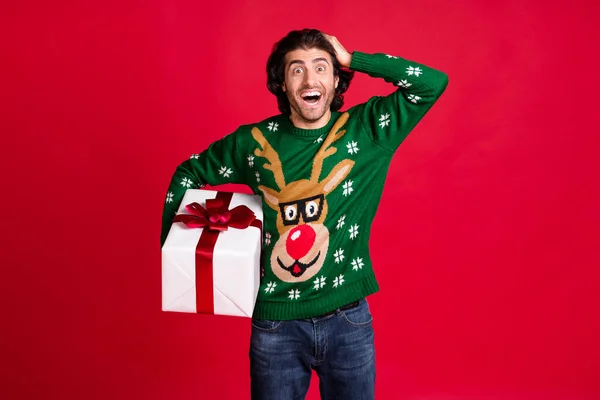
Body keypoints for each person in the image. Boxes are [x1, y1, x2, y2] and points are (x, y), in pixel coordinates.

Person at [160, 28, 448, 400]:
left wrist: (354, 58)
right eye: (297, 69)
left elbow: (431, 83)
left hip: (349, 320)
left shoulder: (368, 130)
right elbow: (190, 172)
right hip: (276, 325)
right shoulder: (254, 142)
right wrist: (179, 248)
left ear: (336, 78)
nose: (310, 79)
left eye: (321, 67)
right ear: (282, 83)